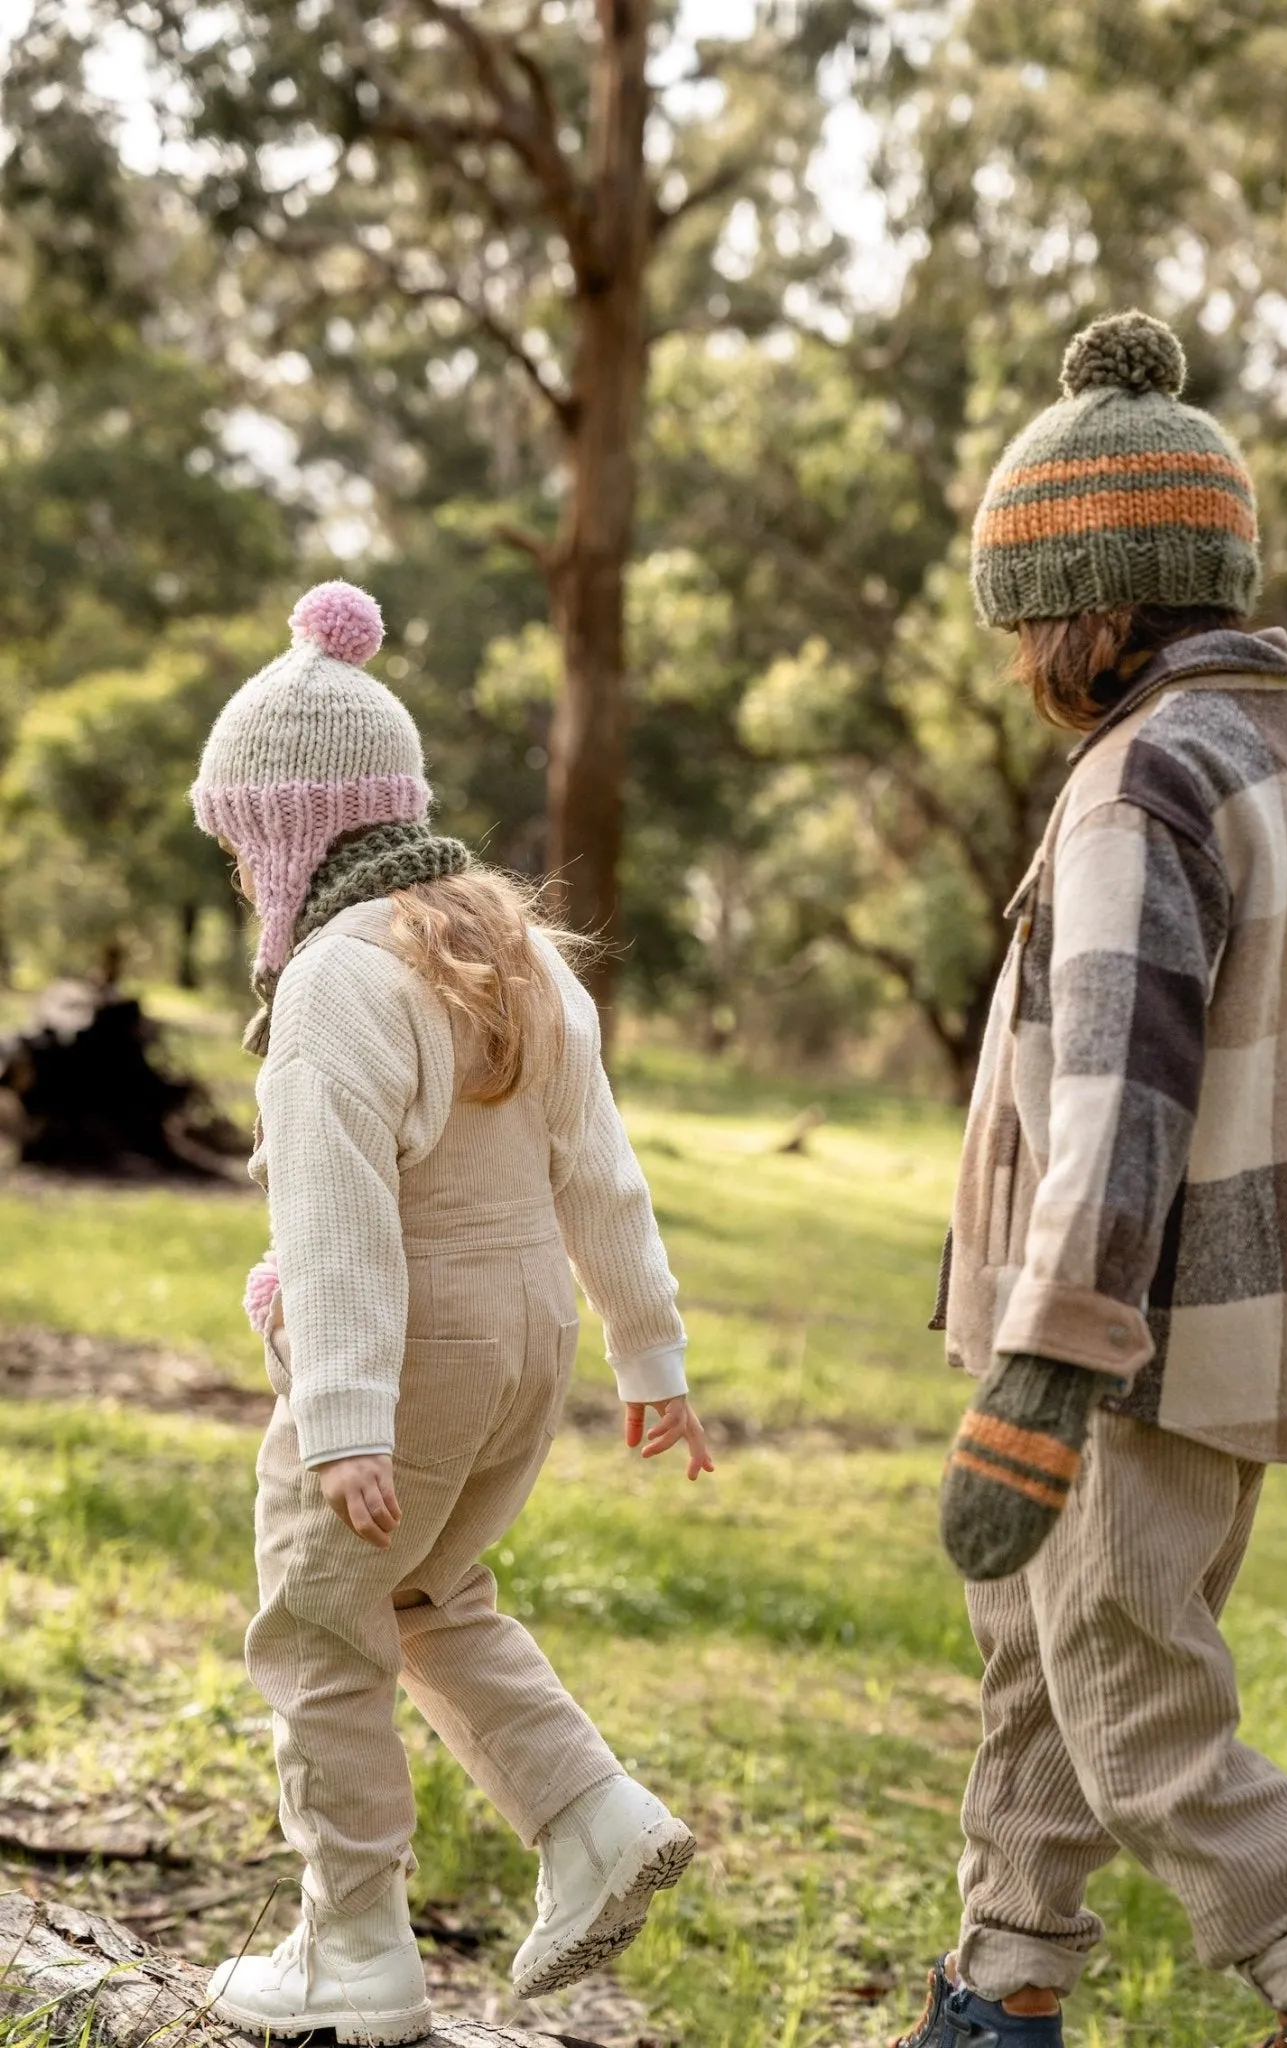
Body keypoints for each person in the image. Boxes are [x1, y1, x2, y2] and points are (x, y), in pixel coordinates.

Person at [900, 311, 1287, 2048]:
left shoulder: (1139, 781)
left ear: (1094, 602)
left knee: (1130, 1700)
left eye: (1027, 618)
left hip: (1132, 1340)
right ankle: (1003, 1982)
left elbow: (1117, 1101)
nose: (1024, 656)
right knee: (1046, 1656)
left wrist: (1043, 1377)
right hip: (1244, 1309)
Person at [189, 580, 713, 2044]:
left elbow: (339, 1228)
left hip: (404, 1358)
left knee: (317, 1628)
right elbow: (601, 1173)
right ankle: (591, 1814)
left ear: (288, 832)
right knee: (424, 1598)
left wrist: (343, 1422)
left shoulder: (334, 987)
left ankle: (352, 1945)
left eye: (242, 845)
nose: (244, 877)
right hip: (524, 1344)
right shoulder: (510, 951)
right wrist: (649, 1351)